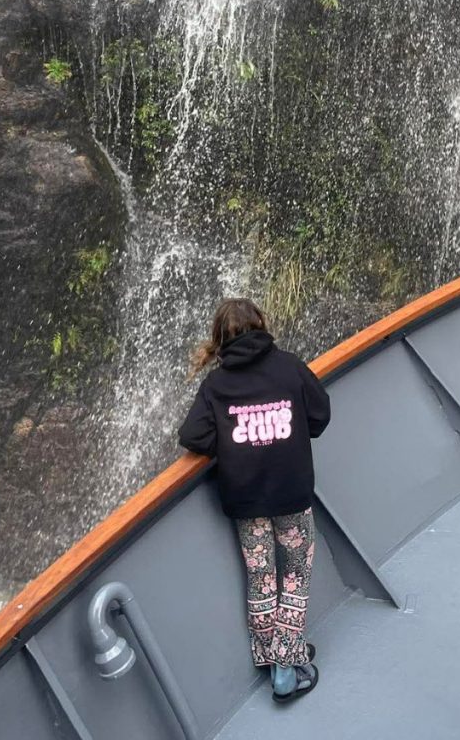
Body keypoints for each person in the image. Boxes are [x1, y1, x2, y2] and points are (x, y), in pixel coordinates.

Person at [178, 298, 331, 703]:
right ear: (261, 325)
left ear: (220, 339)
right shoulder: (289, 366)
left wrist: (230, 442)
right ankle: (286, 669)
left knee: (261, 578)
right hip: (291, 494)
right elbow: (320, 416)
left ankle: (272, 655)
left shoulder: (216, 385)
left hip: (246, 501)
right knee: (295, 576)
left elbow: (192, 436)